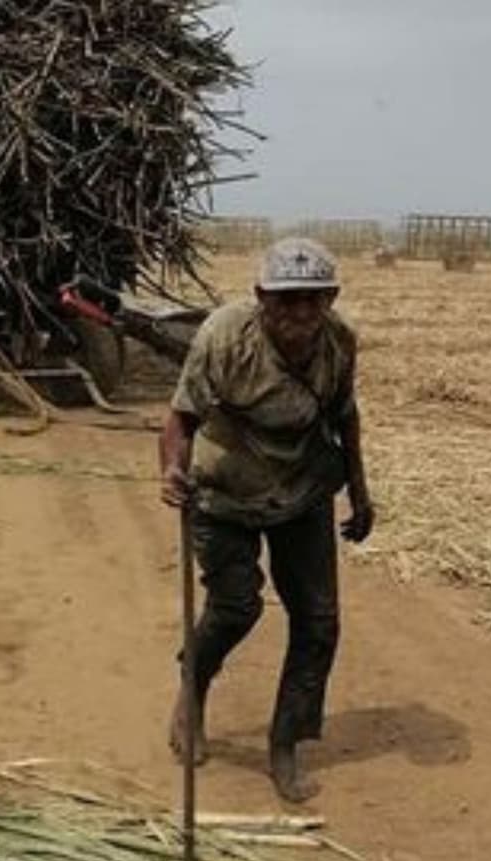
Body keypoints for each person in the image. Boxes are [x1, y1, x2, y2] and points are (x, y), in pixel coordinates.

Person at [159, 236, 374, 804]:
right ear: (261, 299)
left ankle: (285, 744)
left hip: (302, 490)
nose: (300, 313)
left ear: (330, 299)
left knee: (319, 621)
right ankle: (193, 684)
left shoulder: (338, 343)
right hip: (226, 492)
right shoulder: (224, 338)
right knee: (236, 607)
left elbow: (344, 417)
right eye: (287, 301)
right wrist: (171, 474)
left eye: (313, 299)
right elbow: (180, 421)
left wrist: (360, 491)